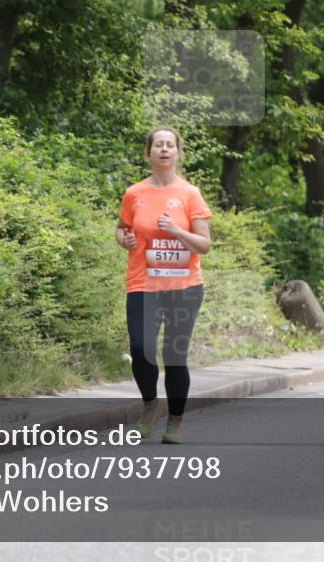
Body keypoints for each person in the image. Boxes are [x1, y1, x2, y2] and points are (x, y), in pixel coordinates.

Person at [115, 126, 212, 442]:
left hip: (184, 287)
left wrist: (177, 231)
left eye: (170, 145)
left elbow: (204, 245)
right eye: (159, 145)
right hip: (143, 284)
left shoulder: (189, 194)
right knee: (141, 349)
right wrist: (125, 240)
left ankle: (176, 421)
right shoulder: (134, 193)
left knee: (174, 354)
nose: (165, 149)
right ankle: (150, 405)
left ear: (178, 153)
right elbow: (121, 228)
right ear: (149, 153)